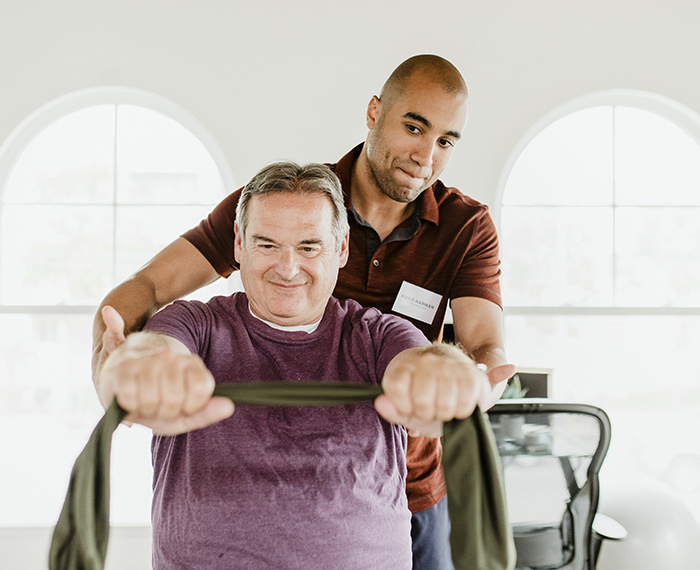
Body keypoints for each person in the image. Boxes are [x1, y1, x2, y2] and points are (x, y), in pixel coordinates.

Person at [92, 54, 514, 569]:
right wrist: (119, 364)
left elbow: (479, 345)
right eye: (413, 127)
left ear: (337, 250)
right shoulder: (285, 201)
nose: (425, 155)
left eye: (446, 142)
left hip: (409, 473)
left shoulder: (464, 228)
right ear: (374, 112)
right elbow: (149, 289)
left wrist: (468, 385)